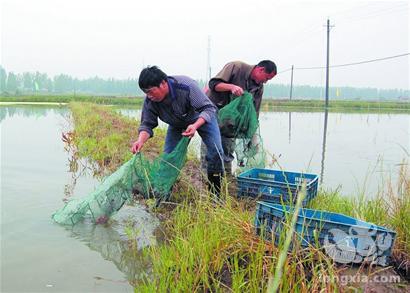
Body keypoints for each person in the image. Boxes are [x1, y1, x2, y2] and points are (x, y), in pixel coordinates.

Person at [131, 66, 224, 195]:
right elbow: (147, 124)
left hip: (202, 117)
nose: (149, 96)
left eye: (151, 91)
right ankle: (163, 193)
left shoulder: (186, 86)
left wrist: (195, 125)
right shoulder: (150, 101)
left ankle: (216, 193)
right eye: (146, 92)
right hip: (177, 124)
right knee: (169, 157)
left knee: (216, 151)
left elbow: (208, 108)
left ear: (163, 83)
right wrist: (140, 141)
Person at [205, 60, 277, 174]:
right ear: (260, 69)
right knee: (211, 146)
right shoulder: (236, 67)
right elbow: (213, 84)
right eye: (266, 78)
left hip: (230, 119)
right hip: (212, 110)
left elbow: (254, 112)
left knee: (228, 147)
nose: (266, 82)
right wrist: (231, 87)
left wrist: (251, 134)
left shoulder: (259, 87)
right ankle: (206, 176)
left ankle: (226, 176)